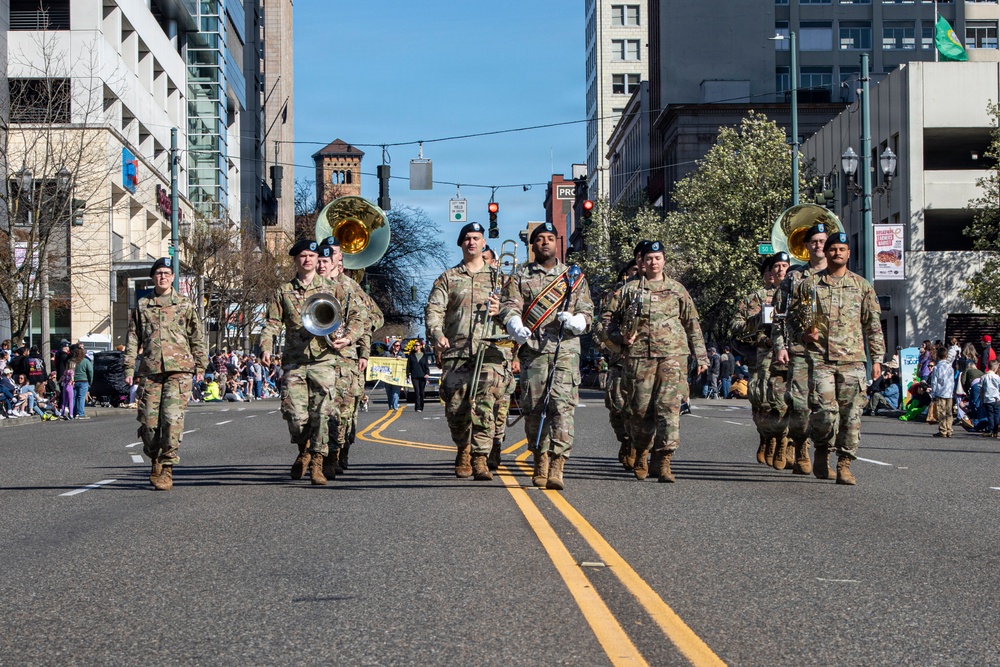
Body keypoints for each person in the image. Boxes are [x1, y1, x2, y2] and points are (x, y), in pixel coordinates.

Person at [259, 239, 368, 485]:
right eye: (302, 256)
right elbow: (273, 323)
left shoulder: (334, 288)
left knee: (322, 413)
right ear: (295, 260)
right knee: (295, 415)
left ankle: (317, 463)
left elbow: (359, 317)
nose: (307, 260)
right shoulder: (283, 291)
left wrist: (349, 338)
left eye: (312, 255)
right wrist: (266, 346)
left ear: (318, 259)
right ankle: (304, 449)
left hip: (325, 359)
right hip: (295, 360)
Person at [602, 240, 708, 483]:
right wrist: (621, 340)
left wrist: (701, 356)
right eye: (649, 258)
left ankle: (664, 460)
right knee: (640, 410)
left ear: (664, 261)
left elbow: (692, 324)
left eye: (658, 258)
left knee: (669, 408)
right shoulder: (628, 290)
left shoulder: (678, 290)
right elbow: (606, 321)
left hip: (673, 357)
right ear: (642, 262)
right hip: (639, 358)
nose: (653, 262)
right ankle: (641, 452)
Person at [500, 221, 594, 490]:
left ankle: (557, 465)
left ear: (557, 243)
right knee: (534, 408)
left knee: (562, 409)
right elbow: (510, 306)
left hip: (565, 350)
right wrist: (514, 323)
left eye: (550, 238)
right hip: (534, 351)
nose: (545, 242)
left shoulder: (573, 277)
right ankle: (539, 460)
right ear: (533, 245)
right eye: (539, 238)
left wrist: (578, 320)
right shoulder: (520, 276)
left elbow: (588, 310)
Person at [790, 232, 884, 485]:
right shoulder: (809, 285)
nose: (837, 253)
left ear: (849, 253)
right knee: (824, 413)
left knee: (852, 415)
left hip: (853, 360)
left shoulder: (862, 286)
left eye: (842, 249)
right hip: (820, 359)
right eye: (833, 249)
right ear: (826, 253)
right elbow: (790, 321)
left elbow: (873, 326)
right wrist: (803, 336)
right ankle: (821, 447)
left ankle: (844, 464)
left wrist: (877, 359)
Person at [426, 222, 513, 481]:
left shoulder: (502, 279)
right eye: (467, 238)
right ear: (461, 244)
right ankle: (463, 447)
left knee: (485, 405)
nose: (471, 242)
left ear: (484, 243)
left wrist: (504, 311)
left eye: (476, 238)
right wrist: (437, 333)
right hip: (457, 351)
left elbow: (516, 313)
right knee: (456, 409)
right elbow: (434, 310)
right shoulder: (447, 278)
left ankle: (479, 457)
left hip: (491, 351)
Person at [124, 257, 207, 491]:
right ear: (153, 277)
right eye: (159, 273)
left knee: (172, 420)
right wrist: (129, 368)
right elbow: (132, 339)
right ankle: (154, 458)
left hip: (179, 371)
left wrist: (200, 365)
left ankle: (168, 468)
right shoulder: (142, 305)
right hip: (150, 371)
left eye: (167, 273)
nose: (163, 276)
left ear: (173, 278)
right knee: (149, 424)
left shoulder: (184, 303)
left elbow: (196, 337)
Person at [316, 237, 383, 473]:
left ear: (340, 257)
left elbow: (371, 319)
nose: (330, 258)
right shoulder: (314, 284)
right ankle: (319, 454)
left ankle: (339, 451)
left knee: (345, 410)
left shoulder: (350, 287)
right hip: (318, 355)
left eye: (334, 253)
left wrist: (362, 349)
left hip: (347, 356)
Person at [773, 222, 829, 475]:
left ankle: (824, 452)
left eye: (823, 241)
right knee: (801, 407)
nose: (819, 246)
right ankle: (800, 446)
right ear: (806, 246)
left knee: (828, 409)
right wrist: (780, 346)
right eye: (814, 241)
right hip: (799, 352)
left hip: (832, 354)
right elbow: (779, 317)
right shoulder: (794, 278)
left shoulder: (842, 277)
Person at [593, 260, 639, 469]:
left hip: (648, 361)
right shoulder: (616, 295)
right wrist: (608, 345)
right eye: (634, 270)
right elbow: (599, 326)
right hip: (619, 360)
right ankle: (627, 441)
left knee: (646, 408)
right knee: (617, 406)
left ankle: (643, 448)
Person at [929, 346, 955, 438]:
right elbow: (952, 381)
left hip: (940, 392)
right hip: (949, 392)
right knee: (949, 412)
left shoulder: (937, 368)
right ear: (947, 356)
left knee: (941, 412)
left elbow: (934, 382)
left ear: (937, 356)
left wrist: (933, 394)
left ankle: (943, 430)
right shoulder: (950, 368)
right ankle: (949, 429)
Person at [407, 339, 431, 412]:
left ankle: (421, 405)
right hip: (414, 376)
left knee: (421, 392)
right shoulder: (411, 356)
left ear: (420, 346)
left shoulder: (424, 356)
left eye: (417, 345)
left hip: (422, 376)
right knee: (416, 392)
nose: (415, 347)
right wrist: (408, 376)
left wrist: (427, 373)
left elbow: (426, 367)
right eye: (414, 346)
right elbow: (408, 367)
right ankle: (417, 407)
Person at [71, 345, 93, 419]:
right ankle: (81, 413)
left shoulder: (72, 361)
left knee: (74, 397)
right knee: (81, 397)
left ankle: (73, 413)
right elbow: (90, 371)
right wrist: (91, 380)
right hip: (83, 380)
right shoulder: (86, 361)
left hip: (74, 381)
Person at [383, 340, 406, 410]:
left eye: (399, 346)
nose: (398, 347)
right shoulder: (387, 354)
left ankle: (395, 406)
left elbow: (405, 363)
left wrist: (401, 359)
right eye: (396, 345)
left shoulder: (402, 354)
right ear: (393, 346)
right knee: (389, 392)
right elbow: (382, 362)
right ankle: (390, 405)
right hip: (388, 376)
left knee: (395, 392)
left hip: (397, 376)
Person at [980, 360, 1000, 437]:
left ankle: (991, 430)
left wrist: (982, 400)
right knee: (997, 414)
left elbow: (981, 390)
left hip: (987, 399)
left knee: (990, 415)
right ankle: (996, 430)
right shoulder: (997, 377)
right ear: (995, 368)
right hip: (996, 398)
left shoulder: (983, 377)